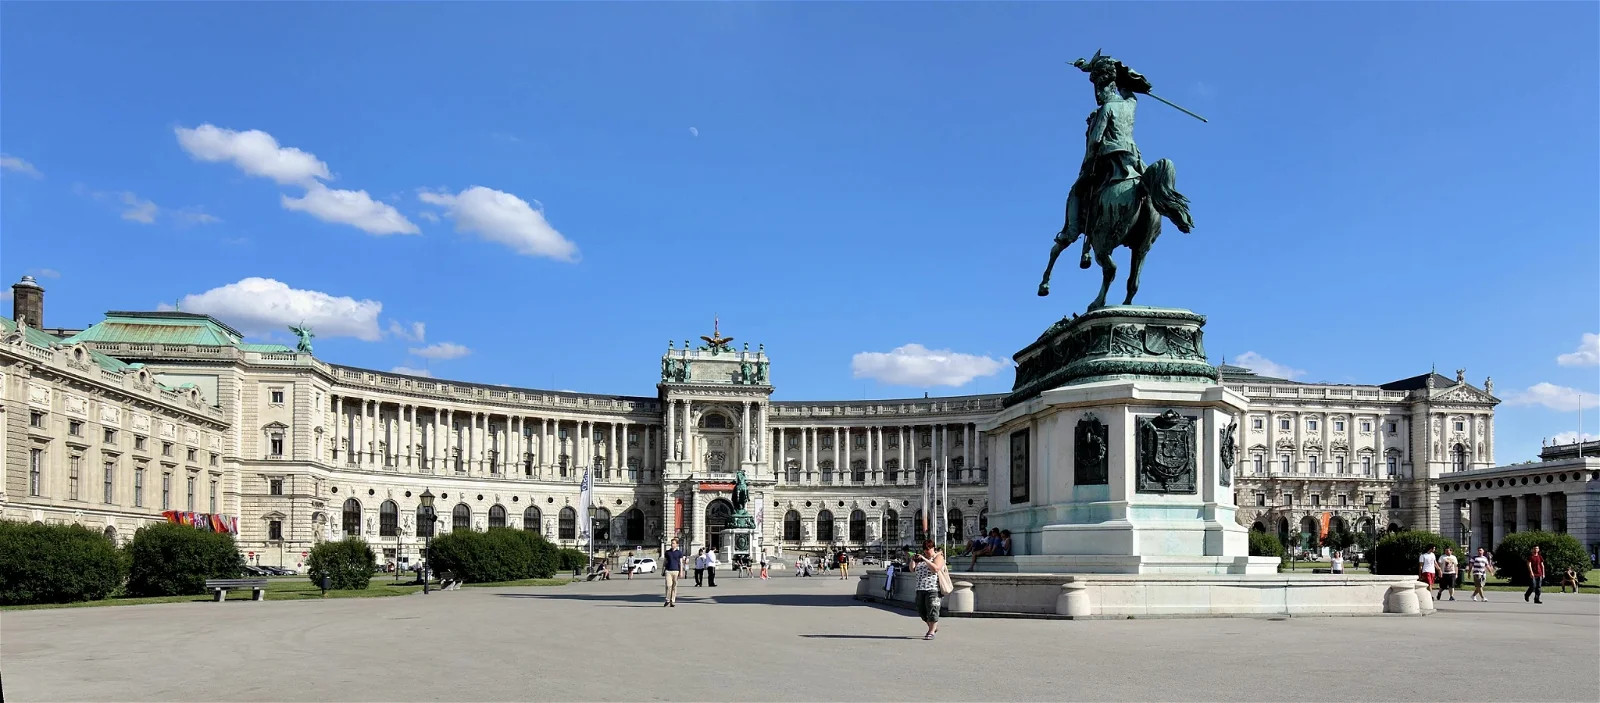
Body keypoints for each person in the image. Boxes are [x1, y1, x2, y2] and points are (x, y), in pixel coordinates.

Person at [911, 539, 947, 640]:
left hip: (933, 588)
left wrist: (925, 559)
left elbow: (935, 568)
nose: (927, 551)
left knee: (932, 609)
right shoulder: (922, 559)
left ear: (933, 547)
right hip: (920, 588)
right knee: (921, 610)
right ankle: (933, 627)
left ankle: (931, 631)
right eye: (925, 549)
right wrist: (913, 560)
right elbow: (912, 569)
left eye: (928, 549)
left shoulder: (938, 557)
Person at [662, 539, 686, 607]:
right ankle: (667, 599)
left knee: (674, 587)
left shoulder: (679, 553)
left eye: (674, 543)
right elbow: (665, 562)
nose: (672, 544)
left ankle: (672, 601)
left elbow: (681, 563)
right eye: (672, 543)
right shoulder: (667, 552)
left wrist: (681, 572)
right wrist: (662, 570)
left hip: (676, 571)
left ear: (677, 544)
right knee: (668, 585)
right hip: (668, 571)